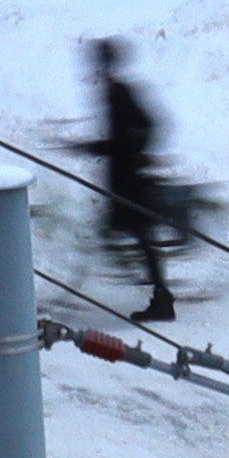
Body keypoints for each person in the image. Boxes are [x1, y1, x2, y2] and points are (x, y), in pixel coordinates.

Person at [85, 35, 180, 321]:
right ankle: (161, 295)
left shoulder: (120, 93)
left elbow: (140, 130)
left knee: (142, 239)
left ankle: (163, 300)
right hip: (122, 180)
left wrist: (121, 151)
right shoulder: (114, 92)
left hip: (128, 182)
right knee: (133, 237)